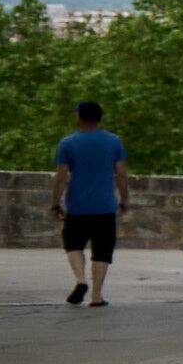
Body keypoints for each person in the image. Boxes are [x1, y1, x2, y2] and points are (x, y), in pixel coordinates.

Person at [53, 101, 127, 308]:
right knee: (102, 250)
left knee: (73, 243)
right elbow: (121, 173)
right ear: (99, 118)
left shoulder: (67, 143)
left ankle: (80, 280)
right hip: (104, 206)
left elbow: (60, 177)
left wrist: (55, 203)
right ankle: (96, 296)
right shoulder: (113, 141)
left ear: (79, 117)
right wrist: (124, 198)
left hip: (77, 206)